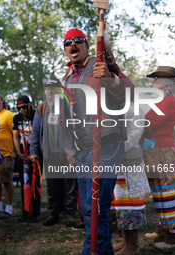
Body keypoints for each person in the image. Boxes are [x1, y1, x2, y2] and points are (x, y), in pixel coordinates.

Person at [62, 28, 134, 254]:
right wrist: (69, 150)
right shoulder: (67, 79)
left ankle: (90, 251)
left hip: (107, 144)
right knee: (88, 210)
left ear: (86, 46)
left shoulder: (100, 64)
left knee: (96, 208)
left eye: (78, 41)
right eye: (68, 43)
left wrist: (111, 79)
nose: (73, 45)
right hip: (83, 149)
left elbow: (130, 92)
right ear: (65, 50)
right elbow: (65, 118)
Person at [144, 66, 175, 249]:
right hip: (155, 151)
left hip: (165, 152)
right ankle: (164, 229)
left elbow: (147, 121)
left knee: (168, 192)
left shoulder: (169, 102)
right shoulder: (162, 101)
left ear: (165, 84)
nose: (152, 82)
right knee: (159, 191)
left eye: (156, 79)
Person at [30, 78, 77, 227]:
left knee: (69, 186)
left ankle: (69, 215)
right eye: (48, 88)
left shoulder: (67, 106)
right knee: (52, 187)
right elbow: (35, 132)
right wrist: (34, 151)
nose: (50, 91)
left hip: (67, 154)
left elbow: (75, 128)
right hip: (49, 155)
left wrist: (74, 151)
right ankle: (53, 214)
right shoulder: (41, 108)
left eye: (53, 88)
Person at [110, 103, 151, 255]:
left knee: (130, 203)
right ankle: (125, 241)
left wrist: (120, 146)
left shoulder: (133, 107)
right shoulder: (113, 105)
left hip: (129, 159)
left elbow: (136, 131)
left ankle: (133, 246)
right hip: (117, 160)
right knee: (120, 203)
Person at [13, 95, 41, 223]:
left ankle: (36, 213)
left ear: (29, 104)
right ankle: (25, 211)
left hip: (35, 154)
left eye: (24, 107)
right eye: (19, 108)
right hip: (22, 155)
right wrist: (19, 153)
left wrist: (34, 153)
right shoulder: (16, 118)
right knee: (24, 183)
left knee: (35, 182)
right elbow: (15, 137)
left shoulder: (37, 115)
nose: (22, 110)